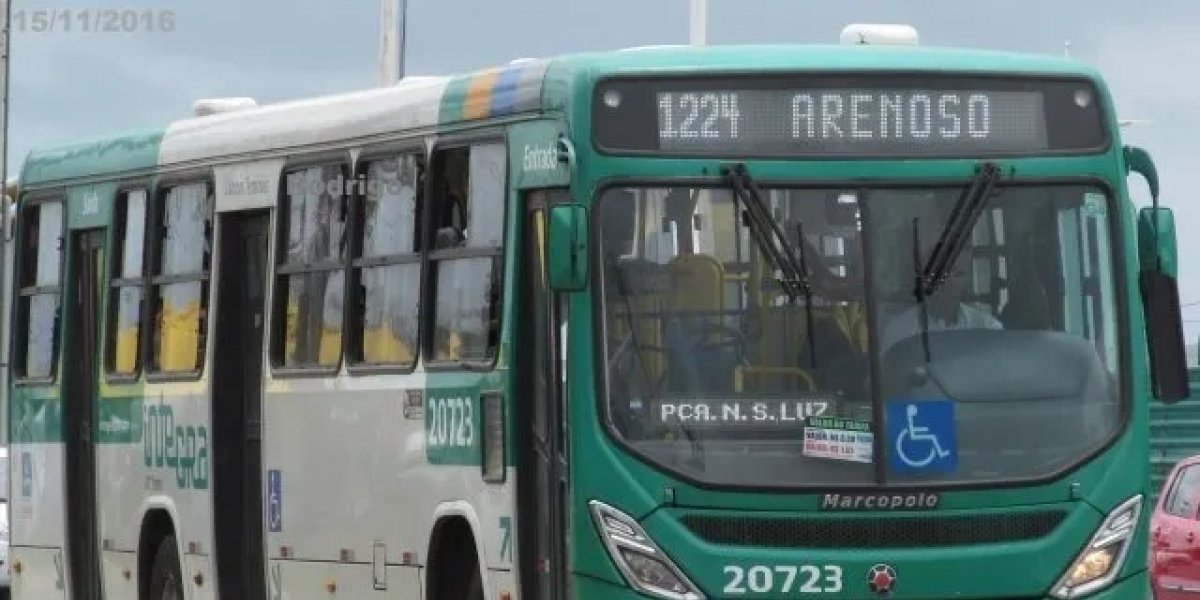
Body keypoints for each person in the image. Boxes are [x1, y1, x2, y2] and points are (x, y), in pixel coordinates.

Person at [878, 246, 1002, 353]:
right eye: (943, 274)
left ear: (966, 281)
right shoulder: (900, 332)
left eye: (959, 274)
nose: (951, 282)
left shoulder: (986, 328)